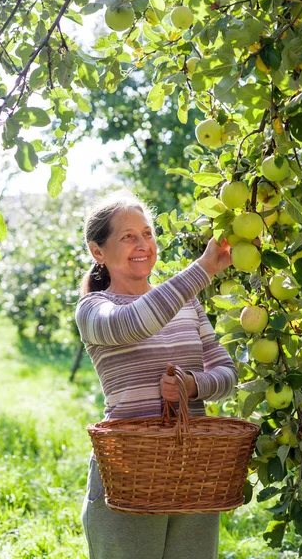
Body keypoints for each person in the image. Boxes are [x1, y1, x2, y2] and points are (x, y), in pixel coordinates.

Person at [75, 189, 238, 559]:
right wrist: (203, 270)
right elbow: (134, 323)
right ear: (97, 251)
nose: (142, 244)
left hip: (193, 467)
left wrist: (193, 385)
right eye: (128, 236)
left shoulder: (187, 303)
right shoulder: (94, 309)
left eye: (147, 233)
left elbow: (227, 373)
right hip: (129, 470)